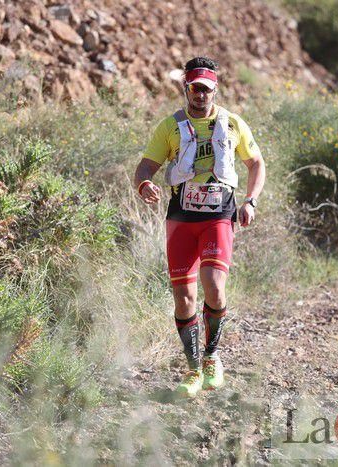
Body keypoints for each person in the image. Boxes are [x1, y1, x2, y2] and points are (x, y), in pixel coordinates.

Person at [133, 57, 266, 397]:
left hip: (219, 214)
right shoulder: (169, 126)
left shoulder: (233, 123)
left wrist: (250, 201)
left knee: (214, 285)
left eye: (207, 90)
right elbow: (146, 165)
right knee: (183, 297)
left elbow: (256, 163)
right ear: (186, 89)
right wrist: (144, 183)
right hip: (180, 216)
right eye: (195, 89)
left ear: (215, 90)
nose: (201, 95)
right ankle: (193, 370)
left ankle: (212, 356)